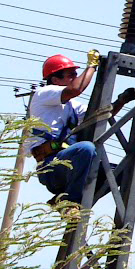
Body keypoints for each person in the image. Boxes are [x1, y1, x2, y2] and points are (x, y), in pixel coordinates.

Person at [29, 53, 98, 205]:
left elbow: (100, 114)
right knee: (86, 148)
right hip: (51, 166)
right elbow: (75, 89)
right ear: (55, 80)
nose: (76, 78)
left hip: (69, 163)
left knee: (120, 172)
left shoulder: (72, 106)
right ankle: (70, 202)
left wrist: (121, 101)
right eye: (71, 75)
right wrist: (91, 67)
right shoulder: (44, 93)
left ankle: (64, 198)